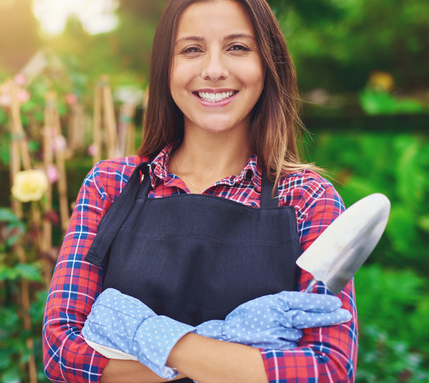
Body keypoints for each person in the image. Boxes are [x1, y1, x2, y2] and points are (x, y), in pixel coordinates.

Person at [42, 0, 358, 382]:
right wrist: (235, 354)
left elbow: (327, 369)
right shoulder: (110, 185)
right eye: (192, 49)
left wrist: (149, 335)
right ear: (166, 69)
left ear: (267, 65)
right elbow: (63, 354)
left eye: (237, 47)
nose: (213, 70)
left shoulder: (308, 198)